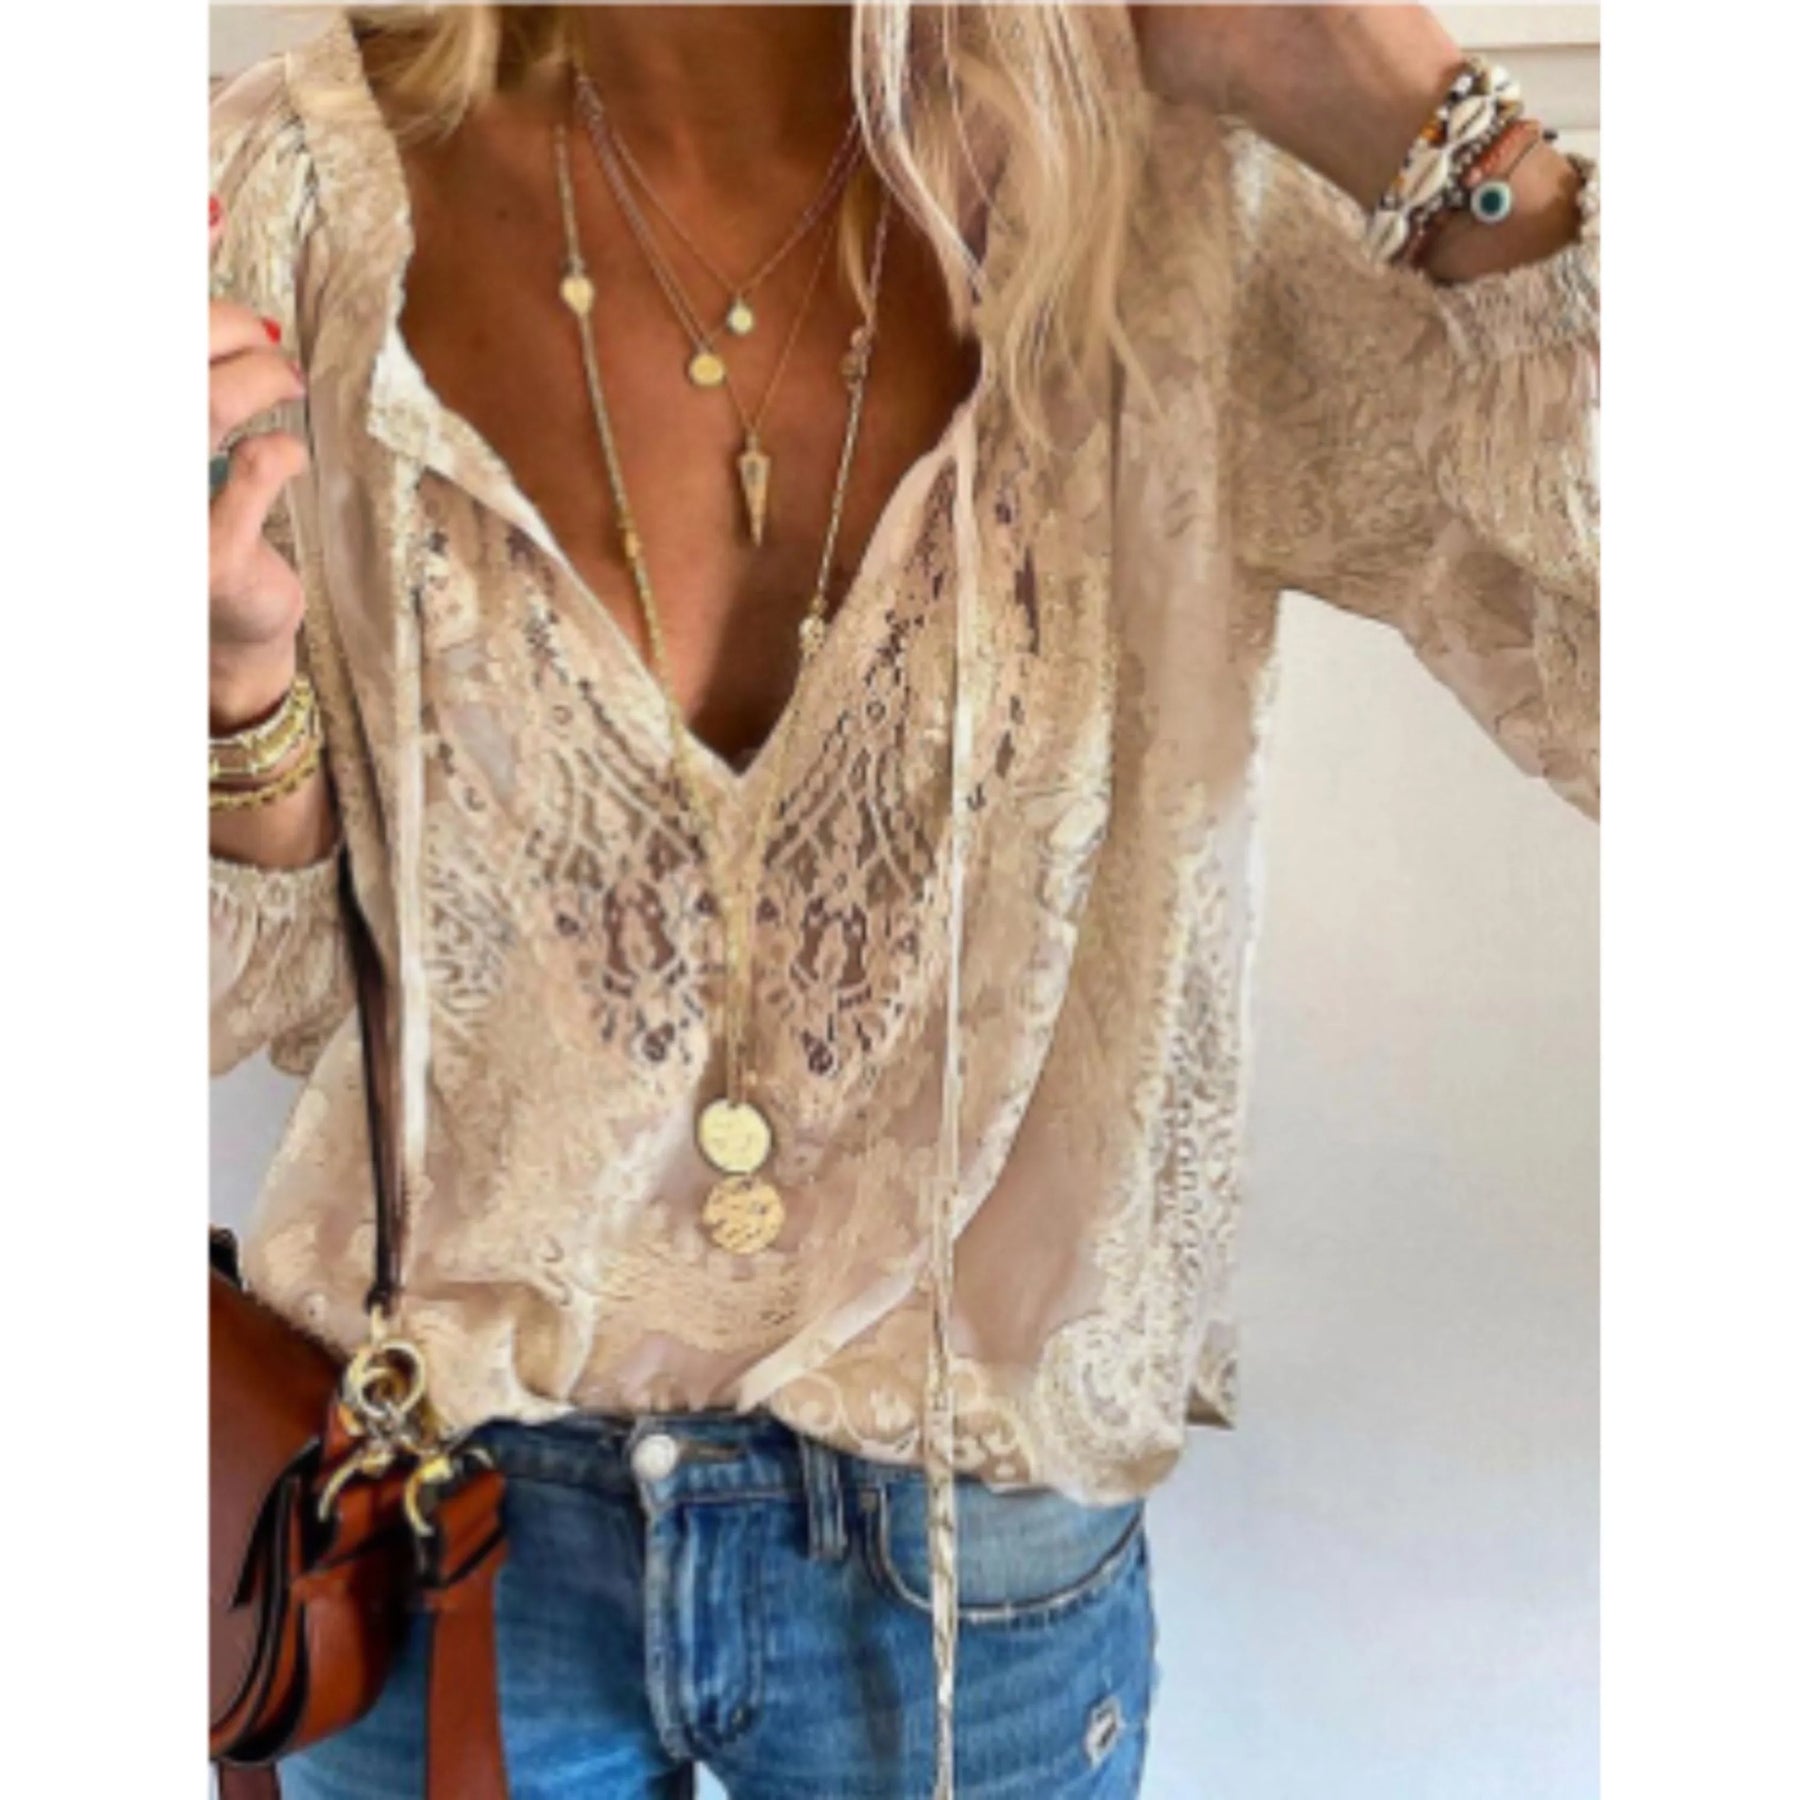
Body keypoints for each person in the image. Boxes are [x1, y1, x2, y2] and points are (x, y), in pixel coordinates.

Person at [207, 5, 1598, 1796]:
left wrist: (1410, 111)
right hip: (439, 1527)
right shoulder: (288, 198)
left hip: (968, 1579)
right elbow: (259, 992)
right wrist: (232, 692)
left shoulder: (1168, 202)